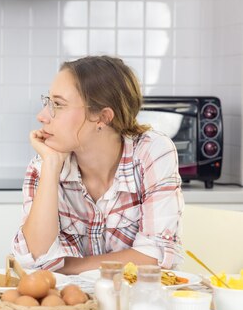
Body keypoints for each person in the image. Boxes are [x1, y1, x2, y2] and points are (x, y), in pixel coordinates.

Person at [11, 55, 184, 274]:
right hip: (71, 305)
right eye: (47, 102)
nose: (42, 116)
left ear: (102, 117)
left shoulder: (152, 152)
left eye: (58, 105)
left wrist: (65, 267)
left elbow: (155, 256)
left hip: (136, 301)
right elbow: (34, 258)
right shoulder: (44, 164)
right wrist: (52, 166)